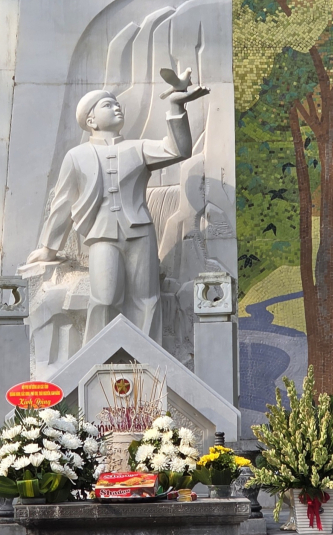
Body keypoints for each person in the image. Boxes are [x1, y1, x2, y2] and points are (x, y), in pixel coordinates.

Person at [26, 74, 207, 343]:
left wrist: (176, 106)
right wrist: (48, 248)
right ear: (91, 120)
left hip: (140, 232)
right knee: (104, 298)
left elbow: (178, 150)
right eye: (107, 105)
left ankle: (145, 356)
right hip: (102, 235)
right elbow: (62, 203)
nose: (116, 107)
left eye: (116, 103)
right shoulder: (76, 156)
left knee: (146, 299)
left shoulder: (138, 148)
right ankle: (100, 356)